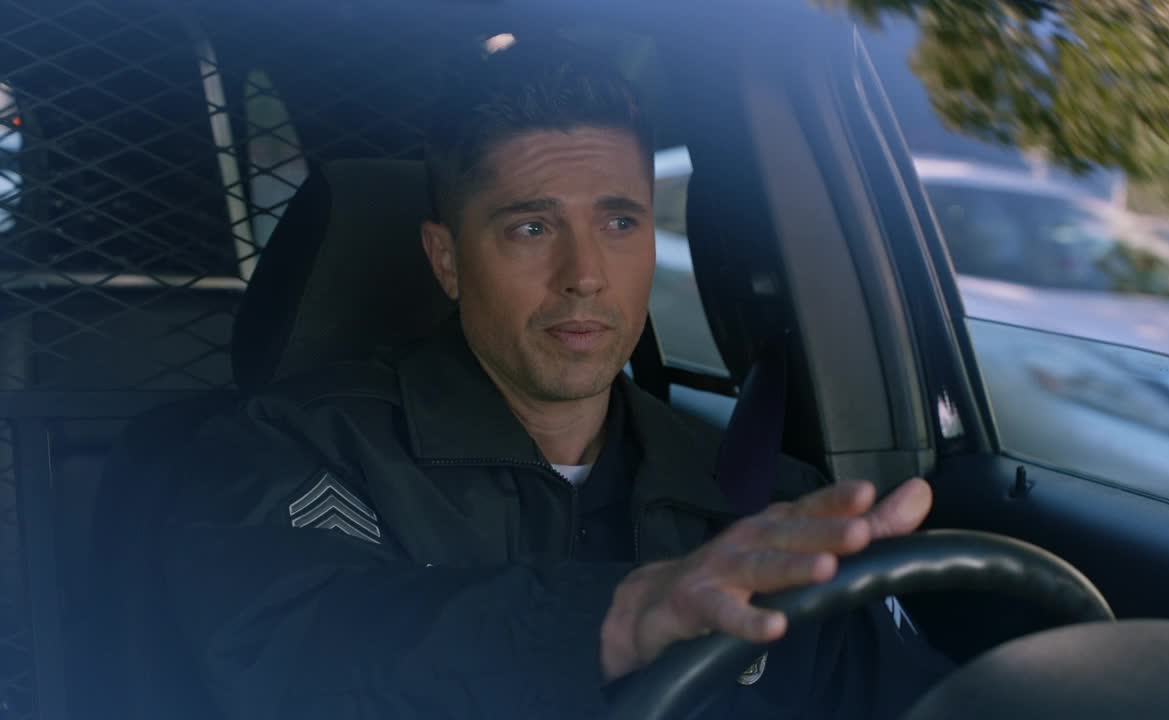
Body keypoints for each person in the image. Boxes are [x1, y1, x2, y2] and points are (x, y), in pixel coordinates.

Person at [157, 41, 952, 719]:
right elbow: (309, 654)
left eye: (619, 222)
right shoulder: (291, 452)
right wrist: (624, 617)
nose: (585, 275)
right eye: (532, 227)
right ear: (447, 260)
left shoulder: (764, 502)